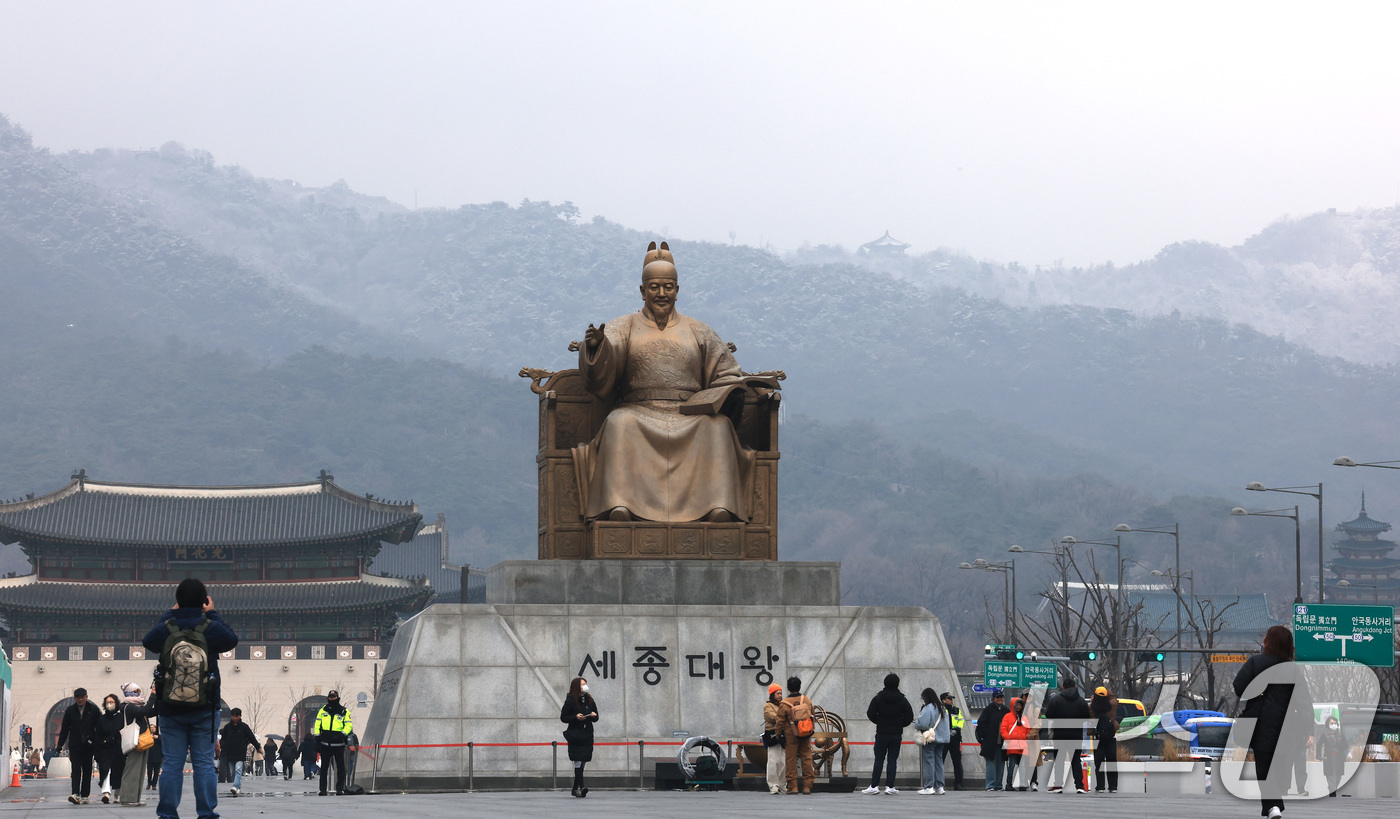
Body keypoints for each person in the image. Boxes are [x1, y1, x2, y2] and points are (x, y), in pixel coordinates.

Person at [574, 241, 759, 523]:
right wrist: (598, 348)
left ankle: (718, 507)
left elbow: (726, 372)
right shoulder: (623, 326)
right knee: (619, 423)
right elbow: (601, 375)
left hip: (689, 413)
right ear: (642, 290)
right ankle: (620, 505)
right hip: (638, 409)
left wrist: (731, 388)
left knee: (719, 427)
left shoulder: (699, 330)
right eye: (654, 287)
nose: (662, 294)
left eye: (668, 287)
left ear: (677, 290)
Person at [143, 577, 239, 819]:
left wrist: (169, 614)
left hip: (170, 708)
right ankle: (206, 813)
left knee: (172, 764)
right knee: (204, 763)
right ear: (203, 601)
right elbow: (231, 640)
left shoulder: (168, 626)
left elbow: (148, 641)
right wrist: (213, 613)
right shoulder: (210, 626)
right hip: (205, 707)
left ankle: (167, 814)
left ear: (178, 601)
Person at [1234, 624, 1314, 819]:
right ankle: (1274, 806)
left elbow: (1238, 687)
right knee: (1280, 765)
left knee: (1264, 765)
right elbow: (1304, 701)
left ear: (1268, 643)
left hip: (1260, 723)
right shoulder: (1292, 669)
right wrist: (1309, 730)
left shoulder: (1255, 663)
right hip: (1287, 724)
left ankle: (1273, 807)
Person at [862, 672, 914, 794]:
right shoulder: (902, 699)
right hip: (896, 734)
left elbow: (870, 713)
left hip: (881, 733)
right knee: (892, 760)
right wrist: (900, 724)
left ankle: (874, 786)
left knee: (879, 759)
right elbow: (909, 716)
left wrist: (879, 721)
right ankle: (890, 786)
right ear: (897, 684)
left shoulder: (878, 698)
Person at [1043, 677, 1092, 794]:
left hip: (1060, 735)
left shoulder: (1056, 700)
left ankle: (1058, 785)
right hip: (1076, 736)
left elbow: (1049, 714)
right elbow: (1087, 717)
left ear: (1063, 687)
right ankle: (1080, 786)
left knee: (1059, 760)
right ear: (1075, 687)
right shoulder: (1081, 701)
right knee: (1075, 760)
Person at [57, 687, 101, 804]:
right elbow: (65, 729)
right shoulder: (70, 710)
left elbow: (99, 727)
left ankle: (85, 795)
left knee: (87, 770)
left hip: (89, 745)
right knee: (76, 769)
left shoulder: (93, 709)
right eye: (78, 697)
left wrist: (98, 742)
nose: (80, 700)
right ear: (75, 698)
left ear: (86, 697)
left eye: (83, 697)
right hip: (75, 745)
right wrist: (60, 745)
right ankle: (75, 793)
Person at [774, 675, 816, 795]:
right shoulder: (806, 700)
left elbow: (780, 721)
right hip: (806, 733)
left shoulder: (784, 704)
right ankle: (807, 786)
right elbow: (812, 714)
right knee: (807, 757)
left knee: (791, 759)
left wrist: (778, 735)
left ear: (787, 688)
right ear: (800, 686)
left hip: (790, 734)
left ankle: (793, 786)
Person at [116, 683, 156, 806]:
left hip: (142, 740)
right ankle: (127, 798)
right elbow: (144, 711)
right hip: (135, 741)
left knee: (139, 770)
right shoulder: (127, 706)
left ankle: (135, 798)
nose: (138, 694)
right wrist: (153, 696)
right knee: (132, 770)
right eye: (135, 691)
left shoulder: (136, 706)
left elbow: (151, 711)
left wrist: (158, 698)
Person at [560, 677, 598, 797]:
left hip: (587, 734)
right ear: (577, 687)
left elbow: (596, 717)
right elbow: (564, 717)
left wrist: (593, 715)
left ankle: (575, 788)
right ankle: (581, 786)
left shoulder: (590, 700)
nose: (585, 686)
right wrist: (575, 717)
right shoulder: (571, 700)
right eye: (583, 684)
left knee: (583, 761)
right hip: (575, 735)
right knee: (578, 761)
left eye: (586, 684)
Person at [313, 690, 354, 795]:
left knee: (341, 768)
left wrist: (342, 734)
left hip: (339, 744)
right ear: (328, 698)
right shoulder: (323, 711)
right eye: (330, 697)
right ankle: (323, 790)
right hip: (325, 744)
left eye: (334, 697)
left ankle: (339, 789)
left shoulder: (344, 711)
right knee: (324, 769)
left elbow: (348, 725)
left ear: (337, 698)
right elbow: (317, 725)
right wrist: (317, 739)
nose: (332, 699)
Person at [915, 688, 948, 795]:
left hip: (930, 738)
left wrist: (916, 723)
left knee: (929, 761)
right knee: (939, 761)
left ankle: (929, 786)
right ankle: (939, 786)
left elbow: (922, 724)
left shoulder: (928, 708)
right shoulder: (942, 708)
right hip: (941, 739)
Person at [218, 708, 257, 796]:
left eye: (236, 716)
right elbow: (223, 739)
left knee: (238, 770)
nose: (235, 718)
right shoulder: (228, 727)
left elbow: (251, 737)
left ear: (240, 716)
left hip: (240, 753)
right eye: (233, 716)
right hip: (230, 753)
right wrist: (223, 747)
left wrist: (258, 747)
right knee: (232, 773)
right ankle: (238, 788)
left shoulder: (244, 727)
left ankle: (235, 786)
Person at [976, 689, 1010, 790]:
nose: (1000, 699)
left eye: (1001, 697)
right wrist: (982, 739)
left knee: (1000, 764)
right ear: (993, 699)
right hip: (990, 743)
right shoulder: (988, 710)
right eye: (997, 697)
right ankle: (990, 785)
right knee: (991, 764)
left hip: (1003, 743)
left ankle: (998, 785)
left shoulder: (1006, 710)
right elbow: (980, 725)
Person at [1000, 696, 1034, 790]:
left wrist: (1026, 739)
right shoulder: (1007, 717)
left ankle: (1022, 784)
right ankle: (1009, 784)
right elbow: (1003, 730)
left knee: (1022, 766)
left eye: (1020, 705)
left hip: (1022, 745)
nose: (1018, 707)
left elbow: (1028, 730)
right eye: (1017, 705)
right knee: (1012, 766)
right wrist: (1009, 738)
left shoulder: (1024, 718)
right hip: (1013, 745)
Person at [1090, 685, 1119, 793]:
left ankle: (1100, 786)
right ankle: (1113, 786)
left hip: (1098, 737)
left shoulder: (1093, 707)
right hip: (1110, 737)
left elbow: (1090, 721)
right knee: (1112, 761)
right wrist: (1107, 691)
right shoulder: (1112, 705)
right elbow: (1113, 698)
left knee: (1099, 762)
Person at [762, 682, 786, 794]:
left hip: (783, 734)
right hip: (772, 734)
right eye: (777, 693)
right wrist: (782, 718)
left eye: (781, 693)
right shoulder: (768, 706)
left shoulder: (784, 705)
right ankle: (773, 785)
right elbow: (771, 717)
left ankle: (782, 784)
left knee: (784, 762)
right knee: (773, 761)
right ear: (772, 694)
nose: (780, 695)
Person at [1315, 715, 1346, 797]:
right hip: (1329, 758)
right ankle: (1332, 793)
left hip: (1339, 758)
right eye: (1331, 723)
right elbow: (1319, 745)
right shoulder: (1324, 735)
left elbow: (1345, 745)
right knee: (1331, 776)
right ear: (1327, 725)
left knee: (1338, 777)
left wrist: (1341, 749)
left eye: (1335, 723)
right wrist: (1318, 755)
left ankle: (1332, 789)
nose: (1333, 724)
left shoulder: (1341, 734)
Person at [940, 691, 965, 790]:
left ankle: (958, 783)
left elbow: (961, 720)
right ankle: (939, 783)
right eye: (949, 699)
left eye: (951, 699)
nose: (951, 700)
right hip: (943, 738)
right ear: (943, 700)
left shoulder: (956, 710)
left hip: (955, 738)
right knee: (940, 761)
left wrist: (957, 729)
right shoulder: (940, 710)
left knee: (957, 762)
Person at [146, 725, 162, 791]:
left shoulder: (159, 736)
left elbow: (163, 743)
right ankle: (149, 783)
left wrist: (157, 738)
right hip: (149, 756)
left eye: (153, 728)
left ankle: (154, 784)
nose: (152, 729)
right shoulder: (147, 736)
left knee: (156, 771)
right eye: (151, 728)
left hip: (158, 756)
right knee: (149, 770)